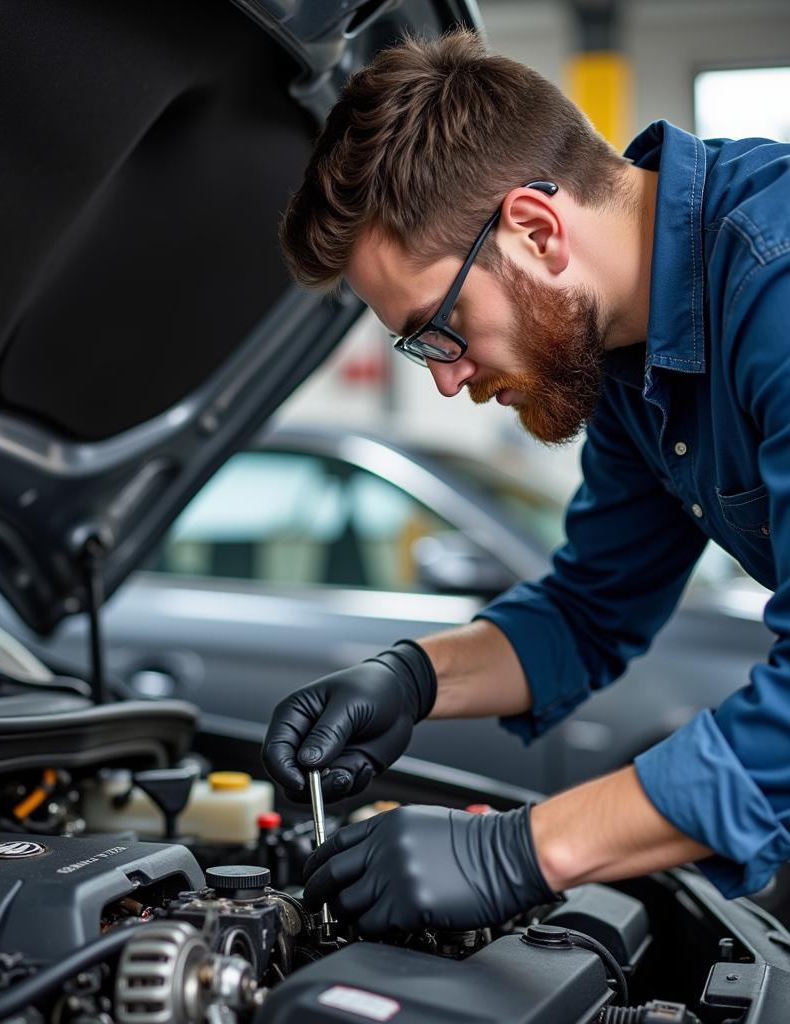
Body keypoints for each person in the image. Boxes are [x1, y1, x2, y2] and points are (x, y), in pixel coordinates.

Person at [261, 28, 790, 936]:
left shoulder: (774, 285)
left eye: (440, 327)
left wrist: (524, 850)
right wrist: (411, 679)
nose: (444, 378)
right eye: (416, 346)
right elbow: (592, 608)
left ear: (536, 230)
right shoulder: (632, 359)